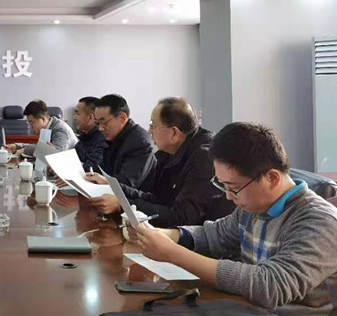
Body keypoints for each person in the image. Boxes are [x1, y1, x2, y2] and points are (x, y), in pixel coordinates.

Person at [133, 122, 337, 316]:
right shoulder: (253, 206)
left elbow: (270, 285)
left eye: (234, 188)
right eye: (222, 185)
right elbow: (215, 235)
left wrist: (173, 253)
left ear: (272, 178)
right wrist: (170, 235)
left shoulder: (320, 221)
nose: (228, 196)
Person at [88, 97, 234, 226]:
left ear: (174, 133)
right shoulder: (166, 154)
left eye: (153, 126)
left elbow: (182, 217)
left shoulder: (204, 159)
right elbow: (156, 199)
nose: (149, 131)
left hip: (203, 241)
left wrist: (123, 205)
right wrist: (112, 186)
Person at [85, 94, 155, 189]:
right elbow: (104, 169)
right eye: (97, 123)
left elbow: (128, 183)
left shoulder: (140, 143)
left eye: (104, 122)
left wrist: (104, 180)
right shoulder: (114, 137)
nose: (100, 128)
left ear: (122, 118)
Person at [5, 99, 77, 155]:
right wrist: (17, 147)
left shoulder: (60, 129)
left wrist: (25, 150)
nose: (30, 126)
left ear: (43, 119)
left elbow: (56, 153)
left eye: (32, 122)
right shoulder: (48, 128)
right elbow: (40, 147)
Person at [72, 96, 108, 170]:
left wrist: (68, 167)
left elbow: (93, 168)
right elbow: (71, 158)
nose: (74, 117)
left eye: (77, 113)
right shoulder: (85, 137)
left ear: (90, 117)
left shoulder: (103, 139)